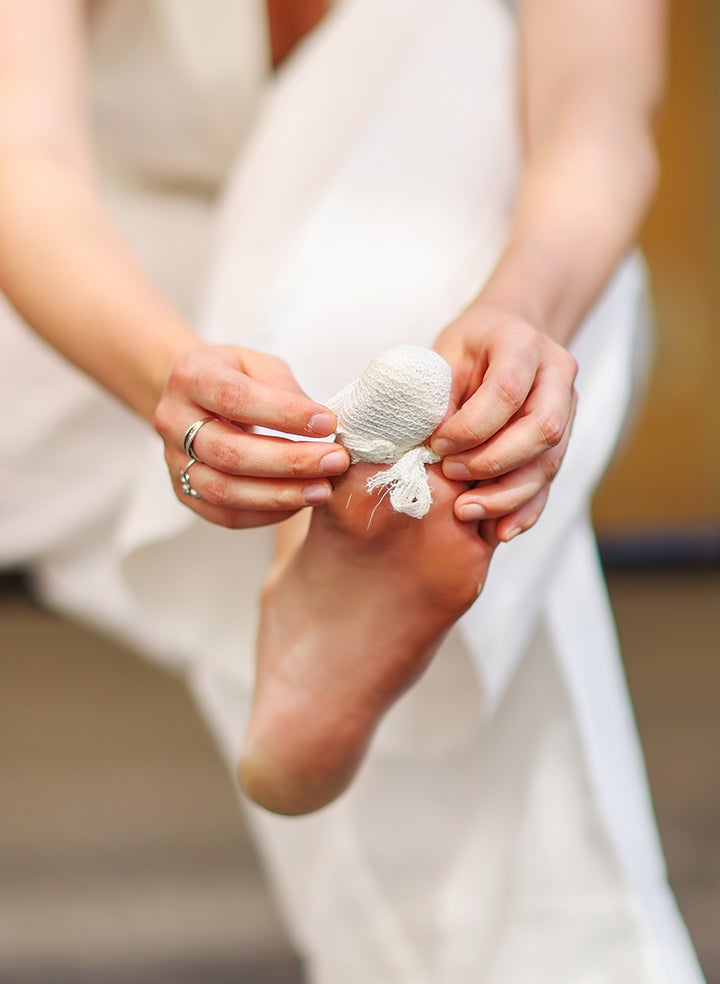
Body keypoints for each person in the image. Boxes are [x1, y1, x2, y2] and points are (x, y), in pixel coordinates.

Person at [0, 0, 706, 981]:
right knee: (388, 349)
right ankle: (353, 542)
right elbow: (21, 158)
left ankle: (346, 548)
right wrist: (172, 375)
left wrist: (516, 311)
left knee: (446, 62)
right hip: (66, 334)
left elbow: (599, 107)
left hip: (401, 300)